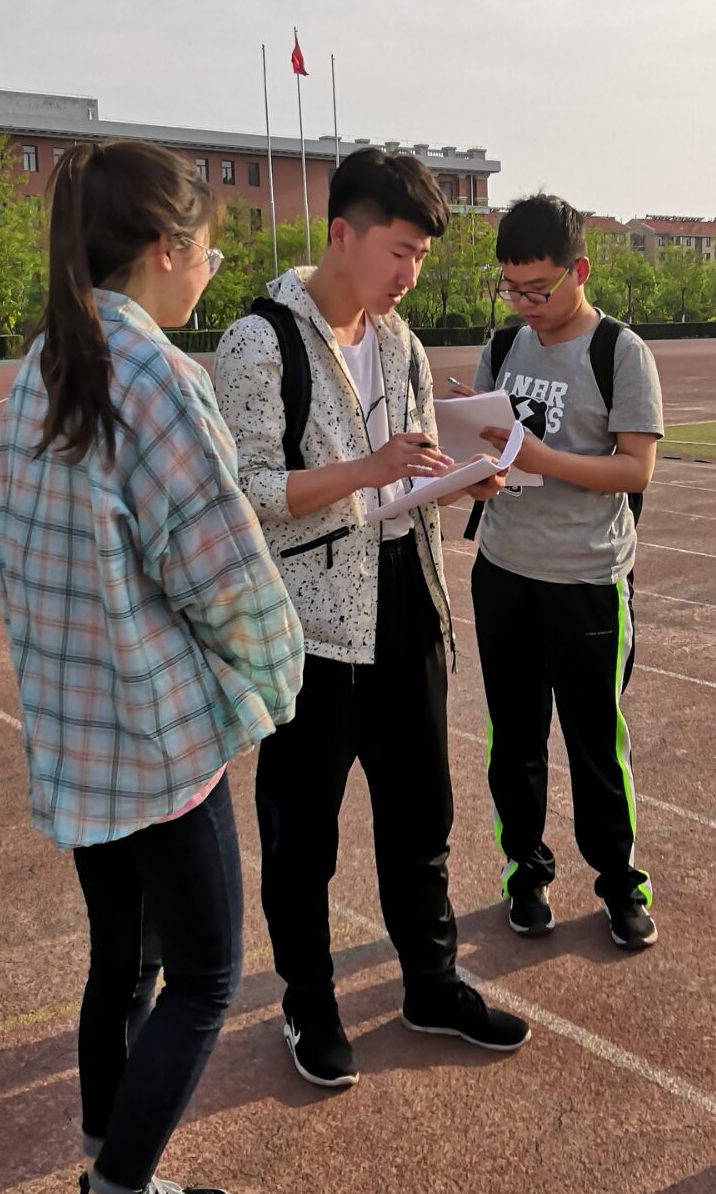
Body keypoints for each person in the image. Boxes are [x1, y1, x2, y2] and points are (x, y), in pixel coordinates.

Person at [0, 140, 304, 1194]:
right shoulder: (155, 375)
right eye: (209, 251)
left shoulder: (47, 363)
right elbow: (220, 567)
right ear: (167, 249)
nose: (211, 271)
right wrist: (279, 678)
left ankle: (114, 1172)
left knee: (123, 965)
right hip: (156, 739)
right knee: (207, 973)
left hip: (78, 729)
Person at [214, 146, 530, 1090]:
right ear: (342, 234)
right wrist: (370, 469)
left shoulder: (400, 345)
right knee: (303, 833)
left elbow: (408, 475)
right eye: (399, 252)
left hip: (407, 600)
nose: (409, 275)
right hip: (311, 627)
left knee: (421, 814)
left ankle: (430, 983)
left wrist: (465, 476)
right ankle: (309, 1006)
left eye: (421, 258)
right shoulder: (259, 342)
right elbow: (247, 492)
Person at [465, 193, 664, 951]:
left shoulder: (618, 351)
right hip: (505, 570)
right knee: (514, 738)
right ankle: (525, 871)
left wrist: (542, 458)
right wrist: (475, 465)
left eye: (538, 289)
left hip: (586, 578)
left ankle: (619, 882)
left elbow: (636, 468)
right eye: (510, 288)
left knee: (594, 740)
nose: (524, 304)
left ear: (578, 271)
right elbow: (487, 460)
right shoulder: (502, 347)